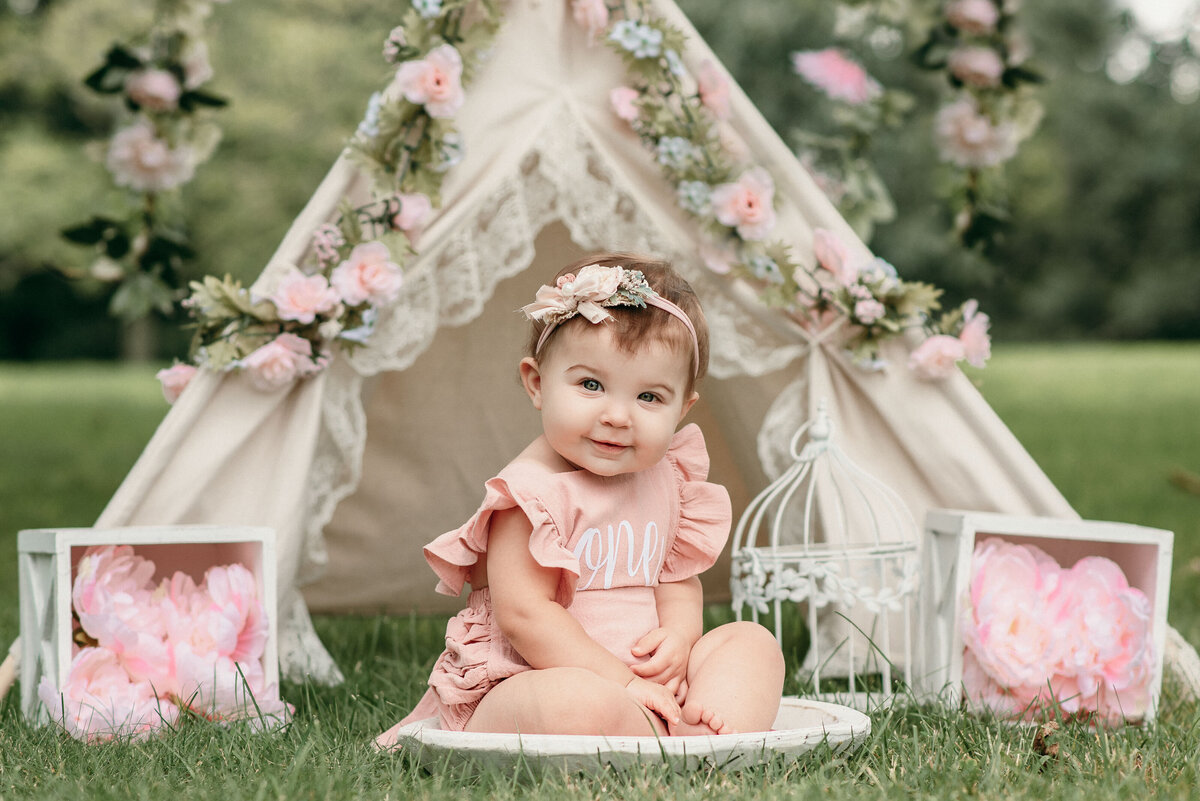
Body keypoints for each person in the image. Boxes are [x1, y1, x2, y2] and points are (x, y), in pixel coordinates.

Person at [375, 253, 784, 747]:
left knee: (752, 643)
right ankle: (661, 739)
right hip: (527, 677)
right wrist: (622, 683)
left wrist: (678, 635)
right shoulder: (530, 495)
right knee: (571, 701)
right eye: (591, 385)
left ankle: (695, 736)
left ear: (682, 408)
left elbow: (677, 578)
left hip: (646, 687)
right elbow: (525, 616)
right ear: (537, 383)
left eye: (649, 398)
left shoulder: (669, 480)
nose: (617, 416)